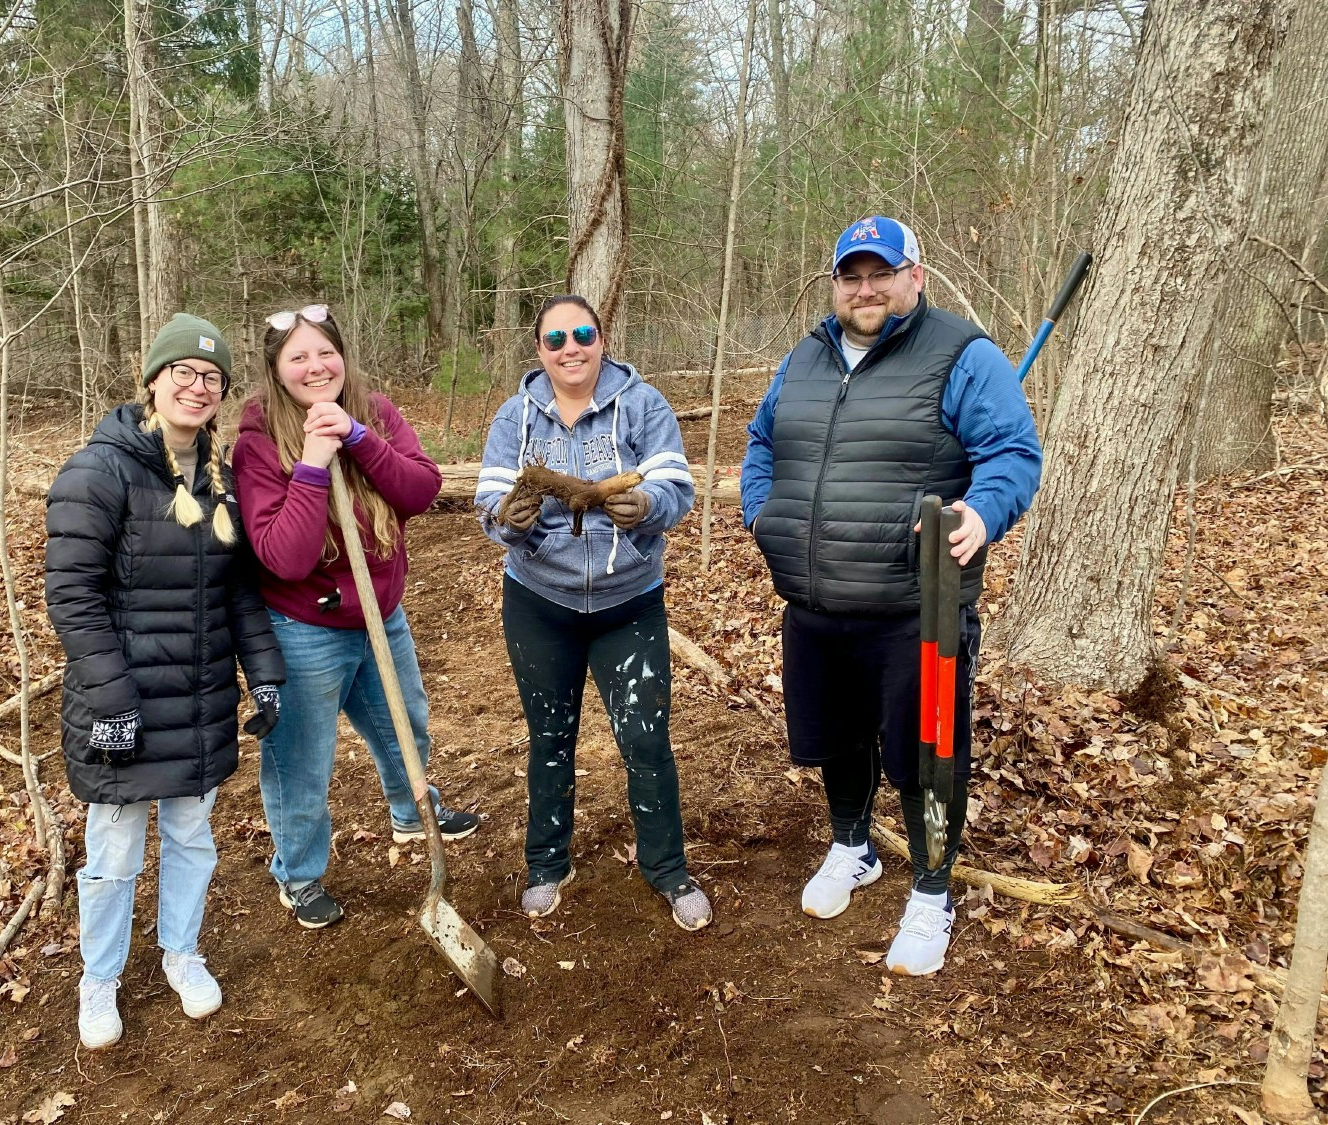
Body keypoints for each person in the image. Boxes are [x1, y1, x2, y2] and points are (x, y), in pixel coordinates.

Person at [740, 216, 1042, 976]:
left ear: (916, 277)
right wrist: (761, 511)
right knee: (837, 736)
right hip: (816, 600)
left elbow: (1012, 451)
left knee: (926, 753)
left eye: (882, 273)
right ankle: (852, 846)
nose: (866, 288)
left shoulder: (962, 355)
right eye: (852, 275)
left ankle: (932, 891)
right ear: (836, 284)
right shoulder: (805, 358)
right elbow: (763, 440)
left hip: (918, 608)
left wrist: (982, 508)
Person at [46, 313, 286, 1049]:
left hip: (201, 697)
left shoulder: (217, 478)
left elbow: (239, 593)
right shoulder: (99, 470)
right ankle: (100, 979)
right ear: (153, 380)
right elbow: (72, 597)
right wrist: (112, 704)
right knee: (114, 851)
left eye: (211, 377)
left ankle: (182, 952)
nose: (197, 386)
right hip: (123, 703)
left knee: (191, 835)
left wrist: (265, 676)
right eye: (182, 372)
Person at [233, 303, 479, 930]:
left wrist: (359, 438)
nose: (316, 367)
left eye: (325, 352)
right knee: (302, 760)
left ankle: (412, 811)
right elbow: (283, 557)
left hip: (380, 614)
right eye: (298, 357)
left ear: (342, 354)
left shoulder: (374, 411)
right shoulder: (259, 438)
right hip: (303, 628)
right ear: (276, 369)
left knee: (407, 726)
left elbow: (421, 491)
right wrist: (314, 460)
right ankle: (299, 874)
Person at [475, 294, 711, 932]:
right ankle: (547, 864)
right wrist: (509, 524)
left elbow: (674, 483)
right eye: (556, 339)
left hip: (628, 603)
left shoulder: (643, 405)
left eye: (582, 334)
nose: (570, 348)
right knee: (550, 736)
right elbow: (490, 497)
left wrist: (649, 508)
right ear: (540, 351)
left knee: (643, 739)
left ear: (602, 338)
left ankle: (667, 869)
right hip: (538, 602)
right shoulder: (515, 417)